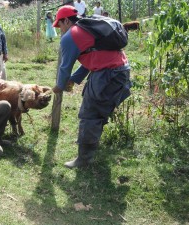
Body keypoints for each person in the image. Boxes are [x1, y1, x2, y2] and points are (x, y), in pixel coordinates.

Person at [52, 5, 132, 168]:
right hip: (120, 71)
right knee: (97, 110)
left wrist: (60, 86)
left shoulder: (70, 37)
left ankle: (84, 159)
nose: (60, 29)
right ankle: (92, 147)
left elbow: (64, 67)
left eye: (59, 25)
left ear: (66, 20)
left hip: (107, 74)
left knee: (89, 114)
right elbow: (93, 58)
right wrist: (74, 79)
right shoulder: (88, 29)